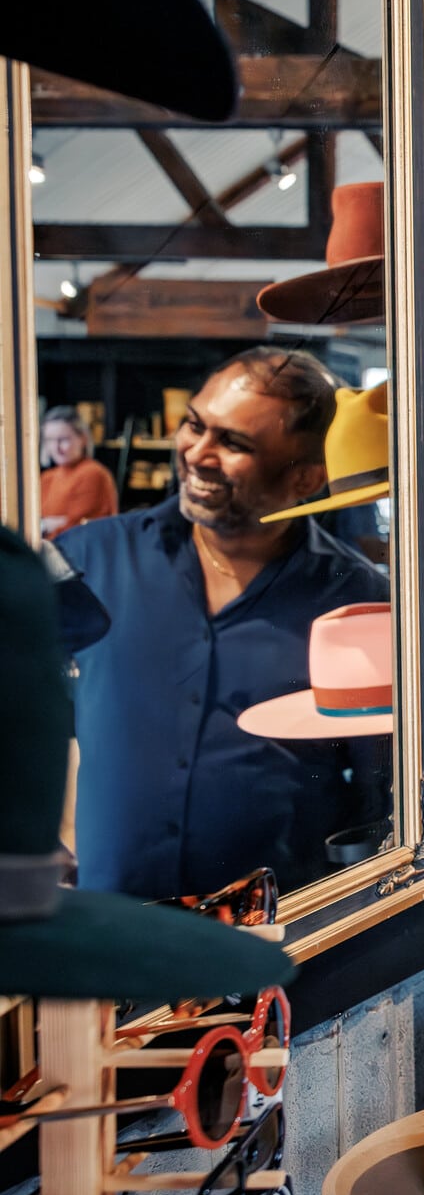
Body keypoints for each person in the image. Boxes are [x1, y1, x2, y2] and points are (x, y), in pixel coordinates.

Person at [55, 346, 390, 901]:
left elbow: (382, 795)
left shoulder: (354, 601)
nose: (197, 453)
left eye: (233, 443)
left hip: (276, 945)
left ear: (306, 477)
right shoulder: (92, 560)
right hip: (114, 931)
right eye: (194, 425)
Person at [39, 406, 119, 538]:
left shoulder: (93, 473)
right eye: (50, 440)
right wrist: (44, 525)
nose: (56, 447)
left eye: (63, 439)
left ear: (83, 439)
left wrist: (43, 525)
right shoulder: (47, 478)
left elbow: (74, 530)